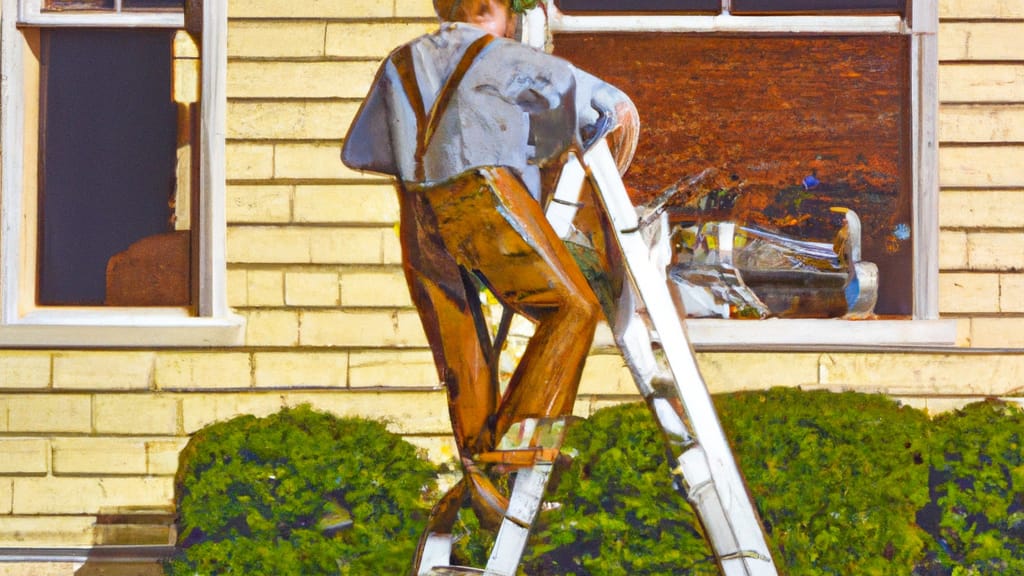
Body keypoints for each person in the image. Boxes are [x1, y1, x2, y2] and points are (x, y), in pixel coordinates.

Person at [342, 0, 640, 570]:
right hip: (480, 199)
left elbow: (364, 152)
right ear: (492, 11)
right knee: (572, 310)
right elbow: (612, 109)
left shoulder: (398, 63)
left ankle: (482, 480)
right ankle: (505, 466)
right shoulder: (506, 56)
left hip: (417, 215)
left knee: (466, 356)